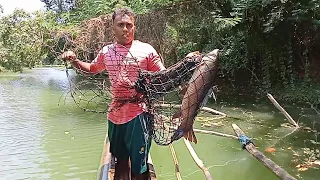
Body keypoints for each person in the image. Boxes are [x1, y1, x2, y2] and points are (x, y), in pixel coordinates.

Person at [61, 7, 166, 180]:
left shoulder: (147, 50)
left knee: (139, 169)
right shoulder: (106, 51)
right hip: (115, 116)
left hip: (139, 115)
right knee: (120, 163)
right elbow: (92, 69)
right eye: (121, 25)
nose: (125, 29)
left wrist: (186, 65)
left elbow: (164, 75)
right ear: (113, 28)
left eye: (129, 25)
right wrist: (75, 61)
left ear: (134, 27)